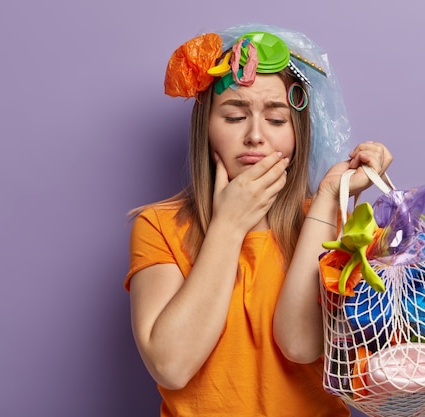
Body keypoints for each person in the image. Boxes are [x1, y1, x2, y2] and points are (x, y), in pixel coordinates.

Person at [124, 23, 392, 416]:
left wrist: (328, 200)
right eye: (234, 118)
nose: (255, 136)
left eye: (277, 120)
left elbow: (301, 344)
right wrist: (229, 226)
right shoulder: (158, 226)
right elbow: (171, 366)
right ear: (206, 130)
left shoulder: (331, 227)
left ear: (300, 134)